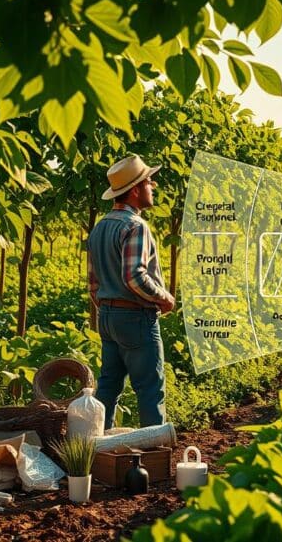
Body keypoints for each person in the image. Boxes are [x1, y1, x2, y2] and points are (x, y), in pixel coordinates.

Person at [87, 154, 176, 428]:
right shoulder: (135, 226)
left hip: (108, 318)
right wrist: (164, 297)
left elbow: (93, 283)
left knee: (108, 389)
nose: (154, 187)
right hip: (135, 318)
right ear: (135, 190)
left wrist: (108, 309)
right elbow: (134, 276)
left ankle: (98, 452)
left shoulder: (100, 227)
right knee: (150, 391)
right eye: (149, 182)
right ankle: (154, 460)